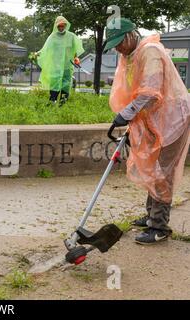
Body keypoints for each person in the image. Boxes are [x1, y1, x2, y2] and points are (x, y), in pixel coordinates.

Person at [105, 18, 190, 244]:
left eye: (119, 42)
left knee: (162, 172)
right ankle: (152, 215)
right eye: (113, 45)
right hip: (156, 119)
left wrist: (128, 113)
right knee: (153, 168)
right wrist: (132, 115)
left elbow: (151, 92)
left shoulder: (150, 51)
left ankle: (159, 226)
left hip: (173, 120)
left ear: (131, 35)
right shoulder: (131, 56)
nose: (117, 48)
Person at [31, 16, 84, 105]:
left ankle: (63, 102)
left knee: (66, 83)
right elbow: (45, 49)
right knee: (54, 82)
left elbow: (74, 49)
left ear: (65, 26)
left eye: (62, 26)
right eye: (59, 26)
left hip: (67, 65)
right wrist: (37, 54)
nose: (61, 28)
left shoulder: (71, 36)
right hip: (55, 65)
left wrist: (76, 58)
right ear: (56, 26)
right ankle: (52, 101)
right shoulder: (52, 37)